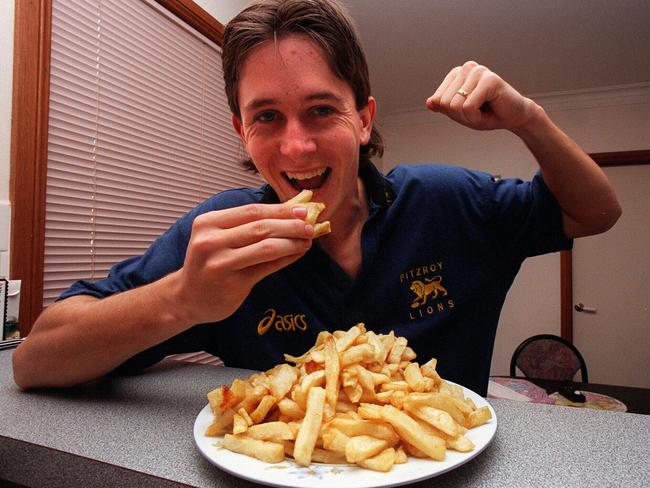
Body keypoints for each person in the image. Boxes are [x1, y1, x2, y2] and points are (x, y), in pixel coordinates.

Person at [13, 0, 621, 395]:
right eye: (267, 117)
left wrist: (529, 120)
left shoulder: (446, 200)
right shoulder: (221, 233)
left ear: (363, 118)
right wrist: (183, 298)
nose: (297, 147)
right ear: (242, 132)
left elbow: (597, 212)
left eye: (321, 110)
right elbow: (33, 361)